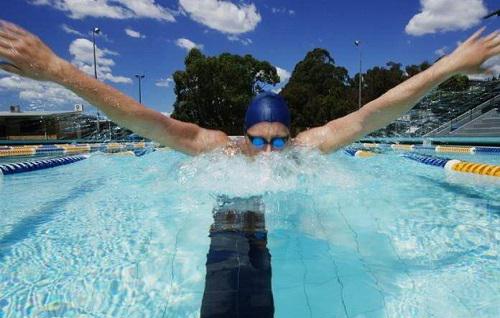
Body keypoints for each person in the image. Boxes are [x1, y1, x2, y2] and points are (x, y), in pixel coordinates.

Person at [0, 20, 498, 156]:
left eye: (278, 139)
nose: (269, 151)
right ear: (243, 135)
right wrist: (57, 70)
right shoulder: (221, 149)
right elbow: (145, 120)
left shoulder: (306, 149)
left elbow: (375, 114)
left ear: (291, 133)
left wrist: (449, 66)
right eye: (258, 140)